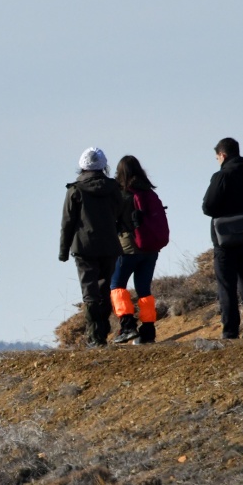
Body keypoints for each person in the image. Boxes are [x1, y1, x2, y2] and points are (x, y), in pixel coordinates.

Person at [59, 147, 128, 347]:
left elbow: (67, 223)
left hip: (83, 247)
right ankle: (103, 334)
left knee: (90, 292)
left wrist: (63, 251)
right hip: (110, 245)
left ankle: (94, 337)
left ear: (81, 166)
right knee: (104, 289)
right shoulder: (114, 188)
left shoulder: (75, 190)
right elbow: (121, 214)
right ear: (103, 166)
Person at [202, 137, 243, 339]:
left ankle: (230, 330)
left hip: (223, 240)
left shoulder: (221, 177)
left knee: (226, 285)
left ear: (223, 155)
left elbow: (208, 207)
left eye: (217, 157)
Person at [110, 155, 168, 344]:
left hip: (128, 248)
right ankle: (148, 332)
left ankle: (127, 326)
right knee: (144, 289)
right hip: (150, 248)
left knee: (117, 285)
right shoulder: (149, 192)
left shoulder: (122, 194)